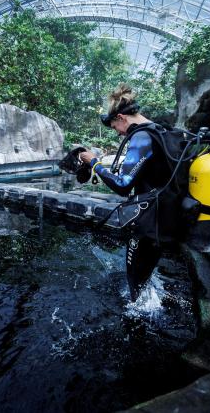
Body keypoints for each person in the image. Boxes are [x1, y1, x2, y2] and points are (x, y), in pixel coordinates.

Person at [79, 84, 184, 301]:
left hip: (148, 224)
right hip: (168, 218)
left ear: (121, 117)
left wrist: (95, 164)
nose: (117, 132)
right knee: (145, 275)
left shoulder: (142, 137)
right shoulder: (162, 131)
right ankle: (151, 302)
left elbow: (123, 184)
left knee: (135, 286)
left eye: (114, 126)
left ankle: (141, 320)